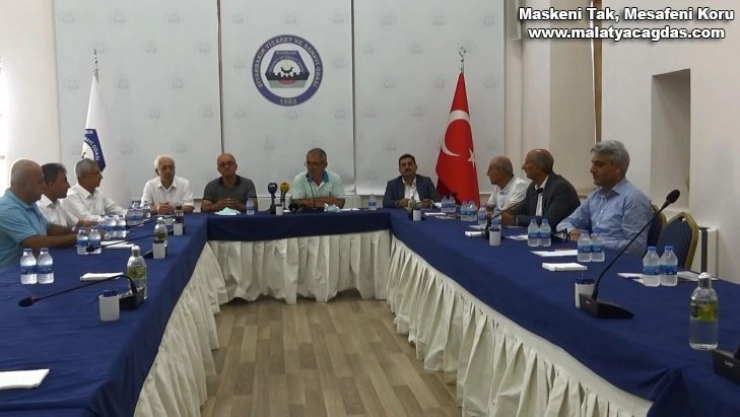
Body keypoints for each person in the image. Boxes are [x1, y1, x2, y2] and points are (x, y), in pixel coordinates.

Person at [557, 140, 653, 256]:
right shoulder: (595, 196)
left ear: (618, 168)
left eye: (599, 165)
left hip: (618, 261)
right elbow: (565, 223)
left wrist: (593, 243)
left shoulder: (634, 199)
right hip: (594, 256)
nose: (592, 170)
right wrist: (573, 231)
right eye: (593, 164)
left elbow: (636, 247)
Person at [0, 160, 77, 269]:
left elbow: (48, 228)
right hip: (10, 274)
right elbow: (36, 243)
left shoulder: (29, 201)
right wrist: (76, 238)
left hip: (33, 267)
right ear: (23, 185)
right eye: (40, 182)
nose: (43, 186)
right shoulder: (7, 209)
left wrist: (76, 231)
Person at [503, 149, 580, 227]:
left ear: (538, 168)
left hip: (558, 234)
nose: (523, 167)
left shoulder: (561, 188)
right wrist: (501, 214)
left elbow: (548, 221)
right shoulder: (532, 187)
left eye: (526, 163)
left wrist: (513, 220)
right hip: (535, 233)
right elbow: (520, 209)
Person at [37, 163, 97, 230]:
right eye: (64, 181)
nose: (68, 186)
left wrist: (102, 225)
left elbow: (79, 223)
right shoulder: (39, 208)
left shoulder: (58, 205)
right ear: (51, 184)